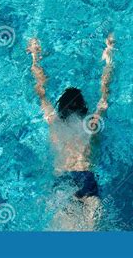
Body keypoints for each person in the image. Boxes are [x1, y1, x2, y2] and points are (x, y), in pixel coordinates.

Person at [26, 34, 115, 230]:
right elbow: (105, 93)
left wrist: (34, 56)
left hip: (62, 181)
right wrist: (108, 54)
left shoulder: (53, 122)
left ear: (61, 108)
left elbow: (40, 90)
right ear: (83, 107)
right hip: (87, 181)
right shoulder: (91, 123)